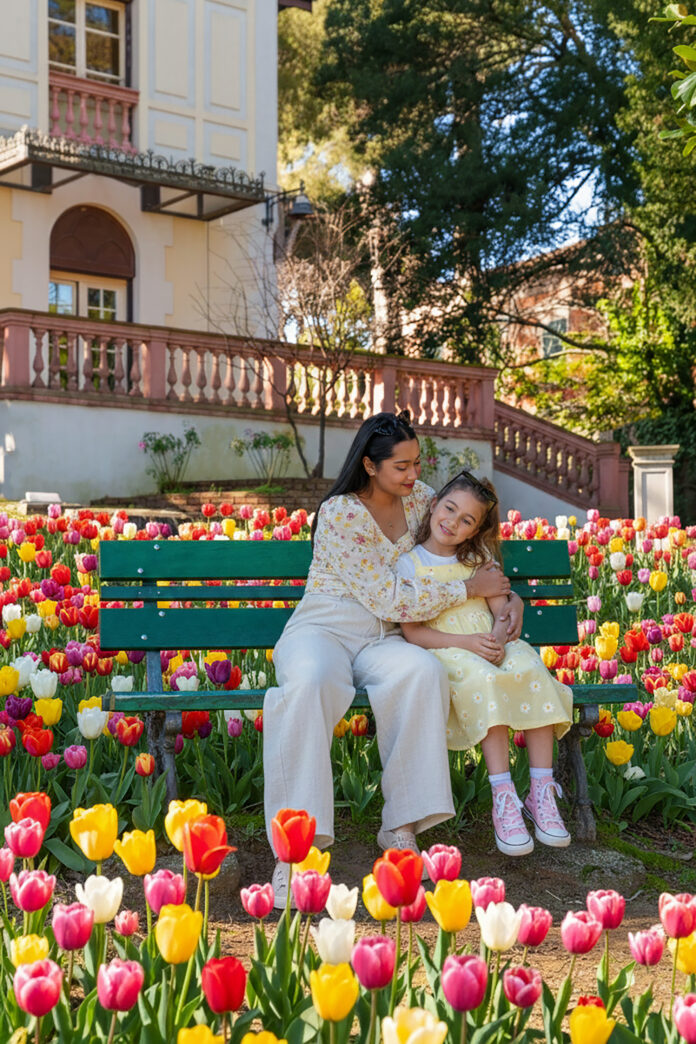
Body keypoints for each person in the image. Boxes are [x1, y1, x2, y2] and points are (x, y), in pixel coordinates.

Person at [263, 411, 520, 906]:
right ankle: (295, 853)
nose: (413, 475)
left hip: (390, 640)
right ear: (370, 465)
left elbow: (473, 551)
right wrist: (467, 588)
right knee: (309, 683)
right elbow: (387, 595)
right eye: (401, 466)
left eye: (417, 463)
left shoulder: (423, 499)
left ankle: (401, 829)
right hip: (326, 628)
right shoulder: (341, 512)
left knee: (422, 672)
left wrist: (510, 601)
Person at [395, 471, 573, 857]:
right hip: (449, 649)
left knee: (530, 669)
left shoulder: (479, 559)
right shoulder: (409, 564)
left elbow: (500, 608)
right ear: (434, 504)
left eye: (466, 521)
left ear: (476, 530)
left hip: (488, 643)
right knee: (485, 681)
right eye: (450, 509)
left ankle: (541, 793)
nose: (452, 523)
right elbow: (413, 633)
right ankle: (503, 796)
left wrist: (500, 627)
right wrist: (468, 643)